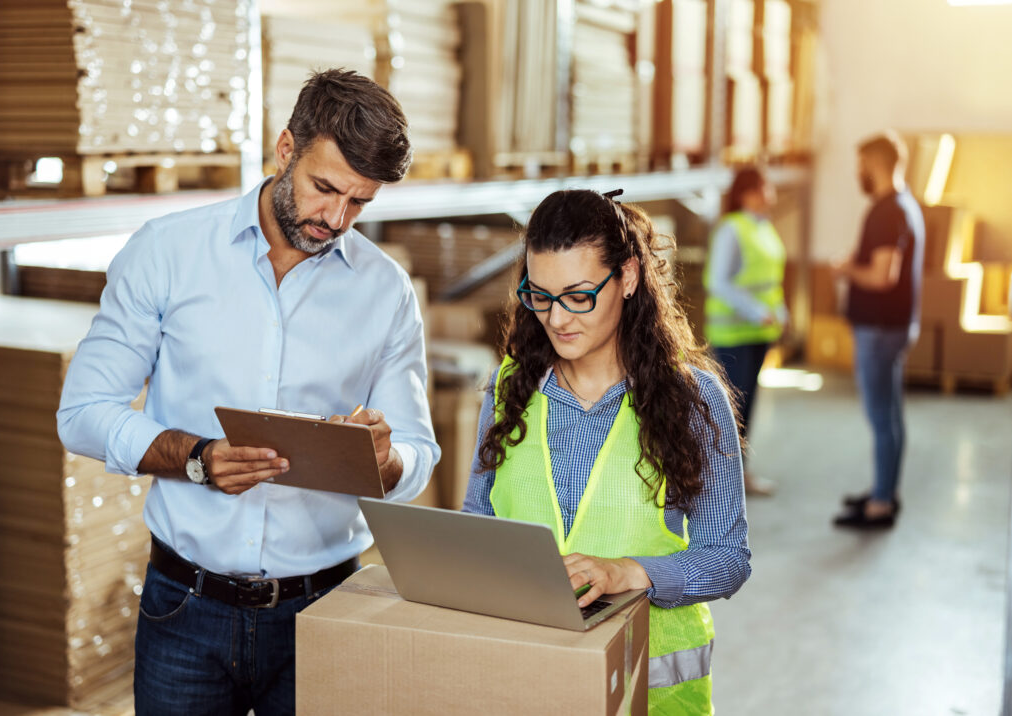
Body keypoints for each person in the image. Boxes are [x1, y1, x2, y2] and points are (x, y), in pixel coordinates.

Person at [57, 69, 440, 714]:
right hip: (186, 608)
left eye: (360, 203)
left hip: (326, 609)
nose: (336, 219)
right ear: (285, 149)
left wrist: (389, 459)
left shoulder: (386, 292)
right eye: (325, 189)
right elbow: (81, 414)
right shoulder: (168, 252)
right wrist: (196, 457)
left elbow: (418, 452)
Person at [463, 189, 751, 715]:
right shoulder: (509, 388)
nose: (556, 318)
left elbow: (728, 558)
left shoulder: (692, 400)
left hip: (652, 696)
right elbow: (477, 519)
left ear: (629, 277)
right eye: (540, 295)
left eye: (578, 295)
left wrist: (632, 573)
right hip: (526, 686)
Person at [831, 130, 925, 529]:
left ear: (878, 164)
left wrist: (846, 268)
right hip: (895, 327)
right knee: (891, 416)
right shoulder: (905, 205)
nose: (859, 172)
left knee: (881, 418)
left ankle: (881, 504)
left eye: (862, 165)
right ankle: (885, 490)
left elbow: (883, 275)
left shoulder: (888, 211)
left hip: (880, 329)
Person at [703, 166, 788, 496]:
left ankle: (739, 478)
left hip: (758, 333)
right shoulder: (731, 229)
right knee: (731, 413)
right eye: (766, 187)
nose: (772, 194)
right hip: (733, 335)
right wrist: (758, 311)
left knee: (747, 408)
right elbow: (717, 282)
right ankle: (721, 484)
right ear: (748, 192)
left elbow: (769, 280)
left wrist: (780, 312)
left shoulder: (763, 227)